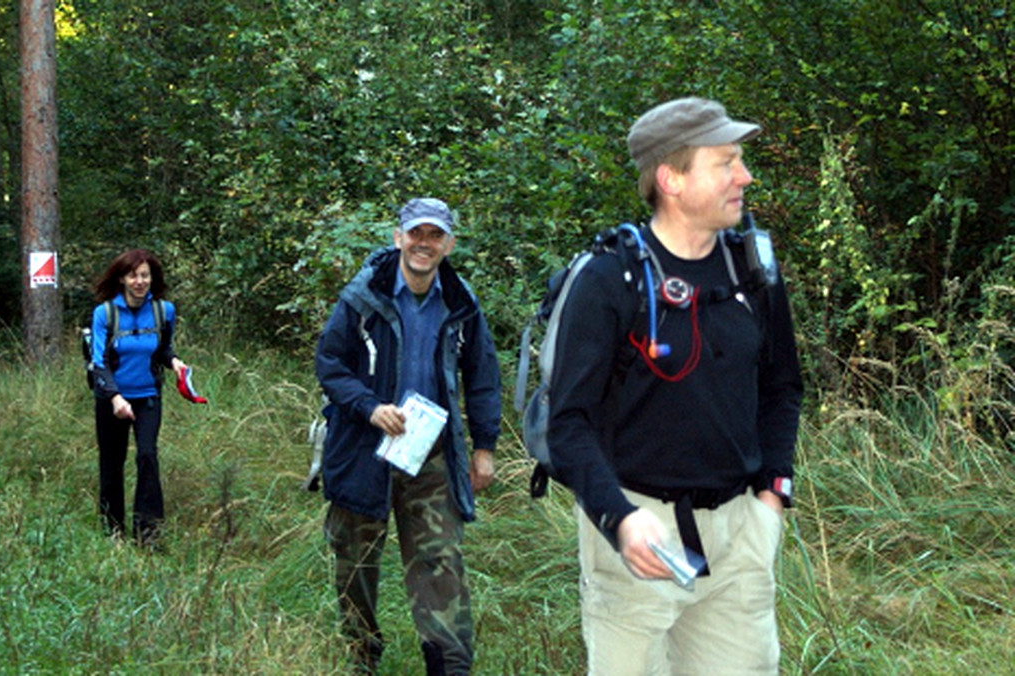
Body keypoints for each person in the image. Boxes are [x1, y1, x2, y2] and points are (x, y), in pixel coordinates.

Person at [547, 98, 804, 674]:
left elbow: (783, 386)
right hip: (636, 537)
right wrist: (618, 517)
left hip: (740, 538)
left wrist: (771, 499)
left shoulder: (752, 271)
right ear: (672, 178)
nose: (746, 176)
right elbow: (566, 423)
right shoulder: (610, 279)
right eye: (727, 162)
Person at [314, 198, 502, 675]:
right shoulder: (361, 298)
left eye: (435, 235)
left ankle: (449, 667)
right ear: (398, 237)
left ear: (448, 244)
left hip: (431, 455)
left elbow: (482, 378)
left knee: (441, 564)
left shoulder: (461, 304)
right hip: (361, 452)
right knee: (354, 566)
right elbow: (329, 365)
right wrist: (369, 407)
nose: (424, 243)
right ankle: (362, 659)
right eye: (415, 233)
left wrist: (484, 448)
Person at [89, 249, 189, 548]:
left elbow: (163, 349)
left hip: (148, 397)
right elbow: (99, 362)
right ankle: (113, 530)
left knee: (147, 456)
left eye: (145, 275)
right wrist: (115, 397)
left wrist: (174, 363)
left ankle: (149, 534)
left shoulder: (164, 311)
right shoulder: (105, 313)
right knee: (112, 462)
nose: (139, 281)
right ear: (122, 277)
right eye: (133, 275)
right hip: (112, 400)